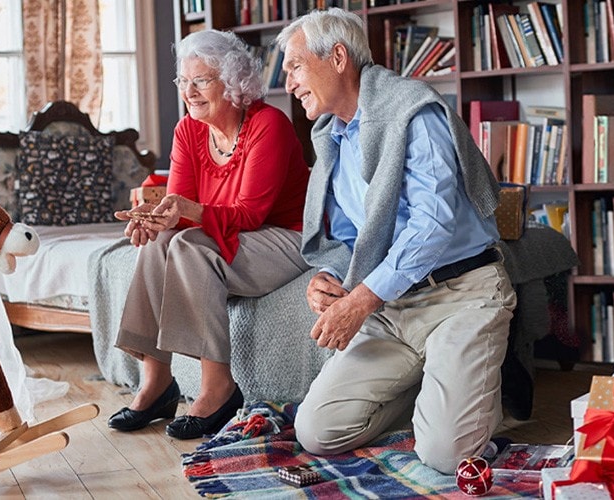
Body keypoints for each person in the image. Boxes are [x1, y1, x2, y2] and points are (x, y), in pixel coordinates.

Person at [275, 9, 517, 474]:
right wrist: (327, 277)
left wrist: (361, 301)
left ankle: (457, 397)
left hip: (462, 295)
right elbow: (350, 239)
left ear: (339, 57)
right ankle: (432, 389)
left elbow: (432, 223)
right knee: (317, 432)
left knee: (446, 455)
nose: (289, 83)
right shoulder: (331, 137)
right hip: (393, 308)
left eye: (296, 67)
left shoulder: (412, 111)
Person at [108, 30, 311, 440]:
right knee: (160, 242)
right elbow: (179, 211)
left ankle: (218, 388)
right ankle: (157, 381)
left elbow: (250, 215)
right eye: (184, 81)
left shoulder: (268, 124)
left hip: (284, 238)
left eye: (201, 81)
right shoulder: (188, 130)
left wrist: (183, 212)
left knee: (188, 246)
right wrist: (157, 218)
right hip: (229, 234)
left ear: (233, 82)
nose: (189, 92)